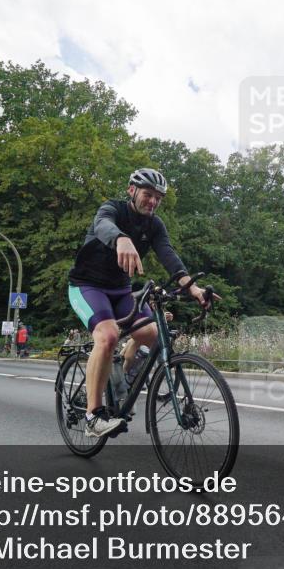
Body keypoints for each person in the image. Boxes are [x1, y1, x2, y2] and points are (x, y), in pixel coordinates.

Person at [67, 167, 218, 438]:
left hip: (121, 291)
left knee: (155, 335)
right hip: (87, 286)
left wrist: (193, 288)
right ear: (132, 191)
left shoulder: (154, 225)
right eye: (148, 194)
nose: (153, 202)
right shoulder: (112, 209)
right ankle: (93, 416)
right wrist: (121, 239)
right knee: (108, 336)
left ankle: (122, 381)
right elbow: (103, 225)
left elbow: (169, 257)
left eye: (158, 198)